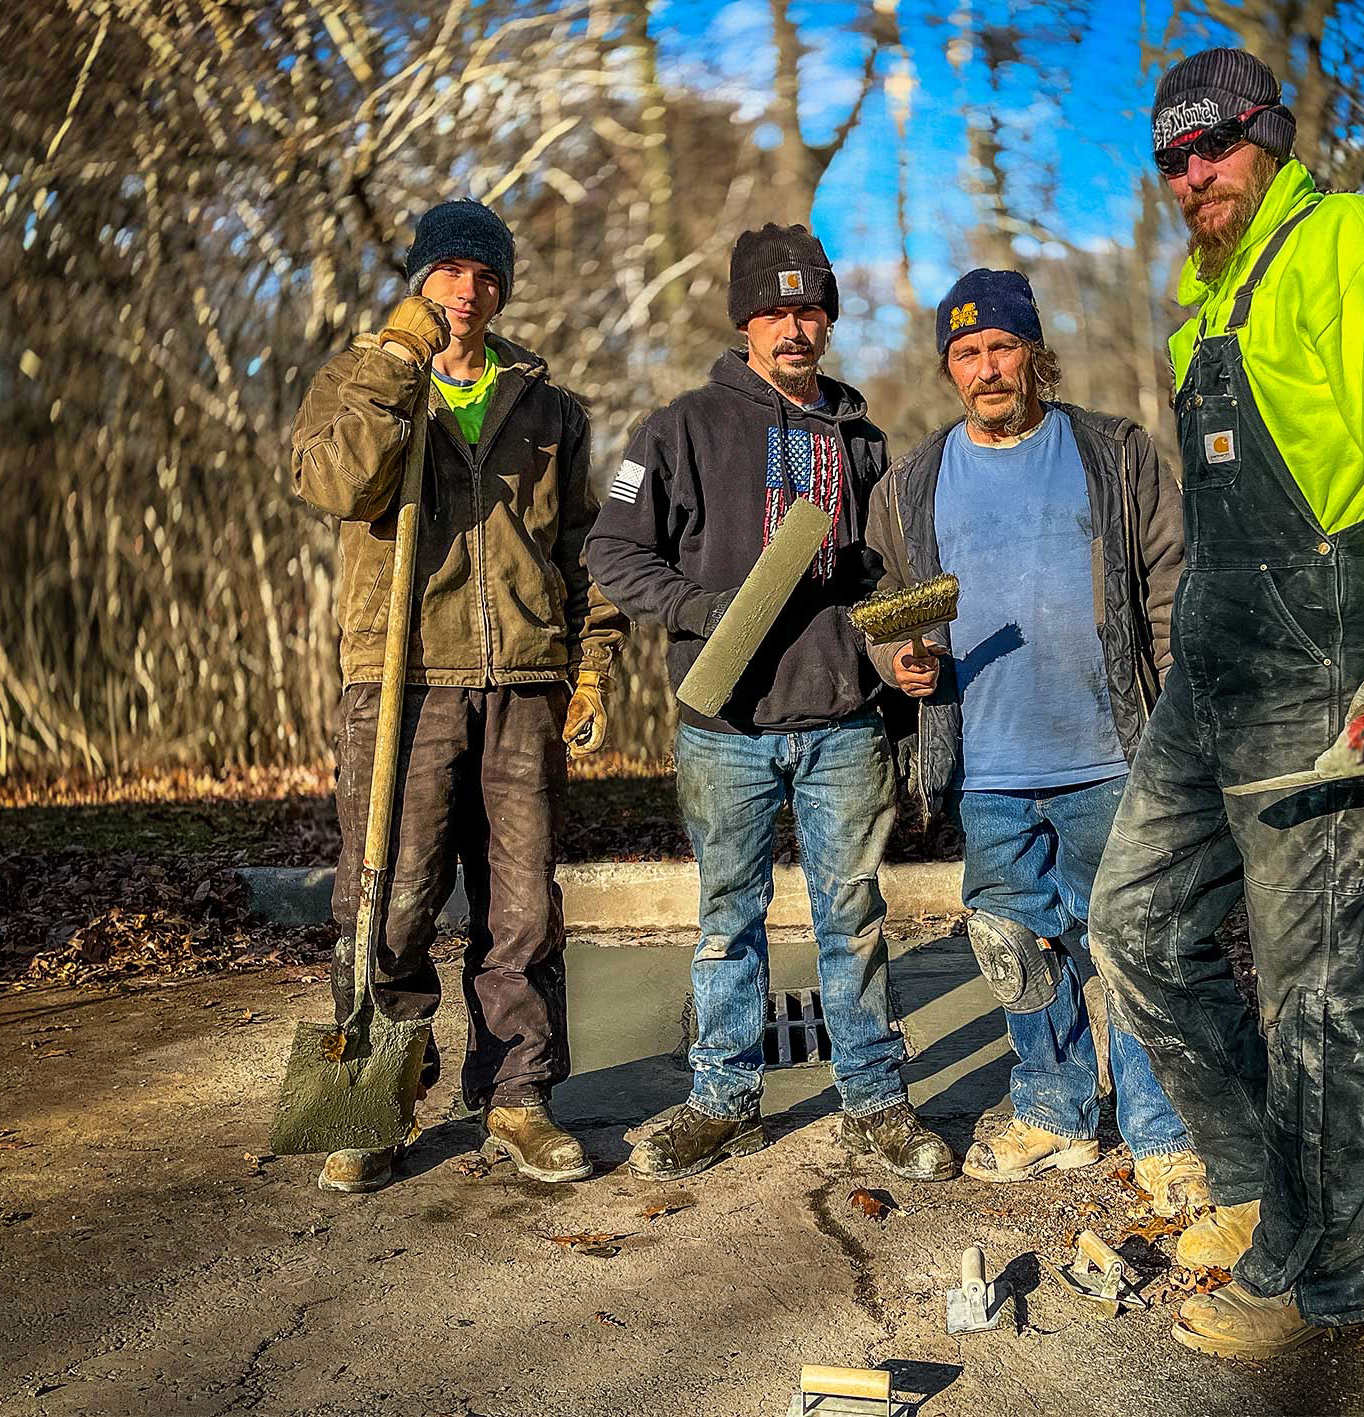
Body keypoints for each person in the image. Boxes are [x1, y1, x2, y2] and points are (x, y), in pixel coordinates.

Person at [1087, 49, 1364, 1356]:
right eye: (1172, 161)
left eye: (1214, 148)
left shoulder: (1350, 246)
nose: (1193, 176)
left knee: (1315, 989)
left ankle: (1327, 1274)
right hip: (1214, 669)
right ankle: (1261, 1182)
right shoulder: (1206, 304)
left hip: (1320, 663)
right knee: (1137, 919)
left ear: (1272, 135)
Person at [585, 224, 954, 1184]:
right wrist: (703, 611)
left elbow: (888, 573)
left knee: (854, 916)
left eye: (810, 310)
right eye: (774, 311)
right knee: (726, 920)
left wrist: (903, 650)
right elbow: (613, 552)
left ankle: (875, 1101)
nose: (794, 328)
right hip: (726, 725)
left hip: (842, 719)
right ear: (745, 320)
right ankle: (723, 1099)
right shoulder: (681, 429)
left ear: (827, 320)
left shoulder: (862, 440)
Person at [291, 198, 627, 1194]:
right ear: (416, 282)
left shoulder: (549, 408)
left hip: (523, 681)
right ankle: (370, 1106)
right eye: (446, 272)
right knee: (388, 901)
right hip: (404, 682)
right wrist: (394, 366)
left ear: (502, 290)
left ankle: (516, 1100)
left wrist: (593, 662)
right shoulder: (362, 382)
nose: (466, 291)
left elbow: (585, 552)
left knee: (522, 911)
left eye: (484, 276)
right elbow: (337, 483)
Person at [863, 269, 1209, 1217]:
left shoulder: (1113, 453)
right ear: (948, 366)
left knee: (1132, 942)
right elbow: (887, 610)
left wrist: (1181, 718)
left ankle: (1162, 1130)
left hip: (1112, 754)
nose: (987, 368)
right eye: (967, 353)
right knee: (1013, 941)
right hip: (987, 767)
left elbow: (1174, 584)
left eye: (1003, 347)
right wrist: (904, 660)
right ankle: (1054, 1110)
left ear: (1034, 353)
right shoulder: (910, 485)